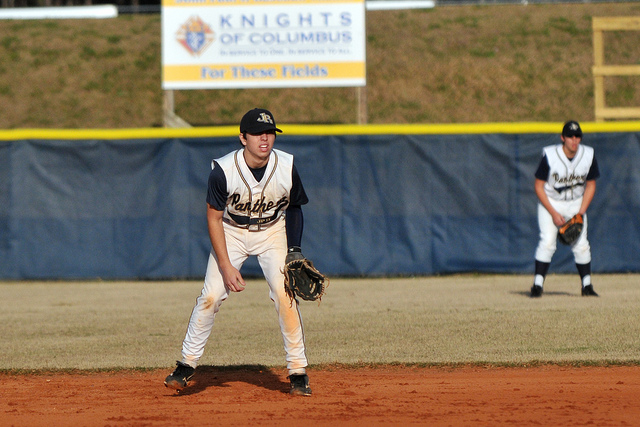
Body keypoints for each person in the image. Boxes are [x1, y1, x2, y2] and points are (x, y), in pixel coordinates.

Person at [164, 108, 313, 396]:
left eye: (269, 133)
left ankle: (298, 372)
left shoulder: (286, 165)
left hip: (272, 231)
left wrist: (294, 249)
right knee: (210, 296)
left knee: (284, 295)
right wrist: (225, 265)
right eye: (257, 133)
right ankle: (186, 365)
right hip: (231, 232)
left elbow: (295, 207)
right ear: (243, 138)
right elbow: (214, 219)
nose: (264, 139)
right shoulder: (223, 171)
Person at [530, 120, 600, 298]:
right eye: (570, 136)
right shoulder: (550, 155)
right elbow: (538, 186)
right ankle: (537, 285)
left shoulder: (588, 154)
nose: (574, 140)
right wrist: (553, 213)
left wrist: (580, 213)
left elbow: (591, 185)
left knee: (582, 245)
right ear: (563, 138)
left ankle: (587, 286)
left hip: (576, 203)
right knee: (547, 242)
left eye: (577, 136)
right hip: (551, 202)